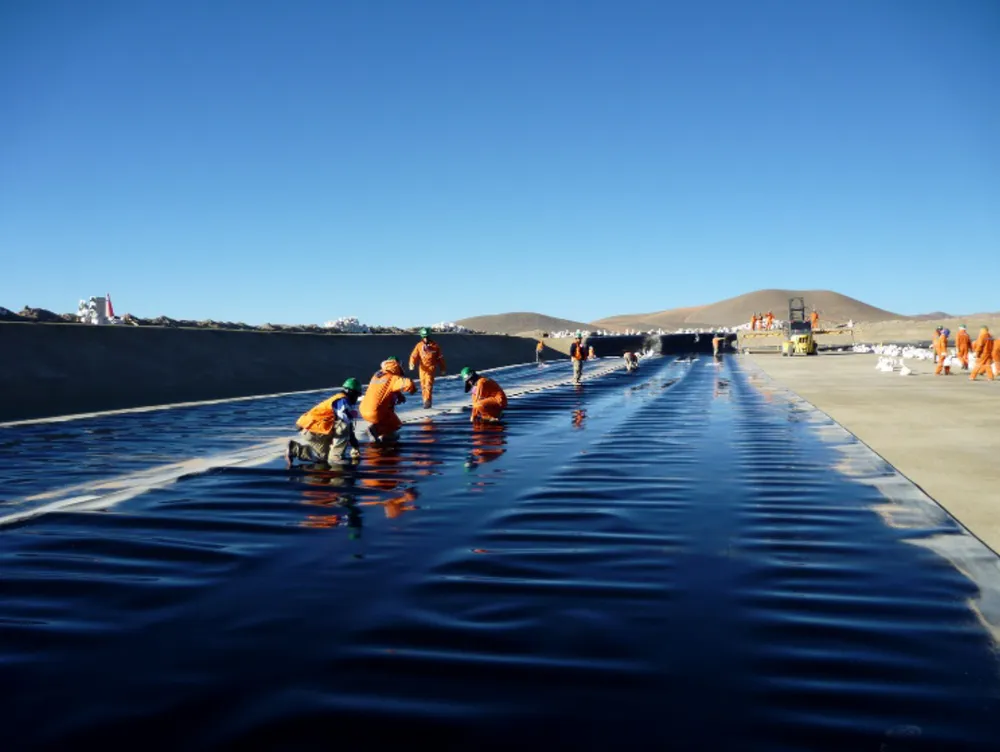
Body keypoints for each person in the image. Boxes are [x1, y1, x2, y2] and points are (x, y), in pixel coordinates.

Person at [286, 378, 363, 467]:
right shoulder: (342, 401)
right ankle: (336, 457)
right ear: (351, 392)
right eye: (357, 395)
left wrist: (355, 445)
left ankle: (294, 449)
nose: (357, 398)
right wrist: (355, 445)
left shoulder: (338, 399)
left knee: (323, 457)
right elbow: (345, 422)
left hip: (311, 429)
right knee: (344, 426)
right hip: (314, 429)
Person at [360, 357, 417, 442]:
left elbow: (383, 388)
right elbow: (408, 383)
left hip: (363, 409)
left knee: (390, 424)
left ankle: (383, 435)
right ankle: (376, 429)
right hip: (376, 412)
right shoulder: (393, 378)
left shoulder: (377, 375)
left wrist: (399, 395)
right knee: (395, 424)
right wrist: (413, 389)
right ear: (397, 366)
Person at [408, 327, 446, 408]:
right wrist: (412, 363)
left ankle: (428, 401)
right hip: (422, 368)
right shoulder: (419, 346)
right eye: (424, 337)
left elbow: (440, 358)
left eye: (427, 337)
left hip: (431, 367)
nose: (425, 338)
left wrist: (442, 368)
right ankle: (425, 400)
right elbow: (414, 355)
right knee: (423, 385)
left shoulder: (435, 346)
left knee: (428, 384)